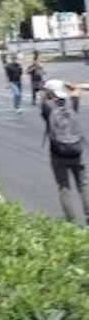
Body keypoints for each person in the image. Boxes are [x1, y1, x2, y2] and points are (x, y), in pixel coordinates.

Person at [40, 80, 89, 226]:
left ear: (49, 92)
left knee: (64, 188)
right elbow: (75, 89)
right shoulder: (72, 103)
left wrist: (47, 90)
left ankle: (71, 222)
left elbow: (44, 98)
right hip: (76, 151)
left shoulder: (46, 106)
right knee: (83, 186)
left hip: (58, 153)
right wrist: (66, 84)